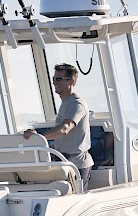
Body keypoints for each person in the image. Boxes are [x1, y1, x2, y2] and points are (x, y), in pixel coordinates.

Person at [24, 63, 93, 191]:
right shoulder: (65, 103)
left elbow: (64, 128)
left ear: (71, 81)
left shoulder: (76, 104)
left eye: (59, 79)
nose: (55, 82)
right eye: (54, 79)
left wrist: (38, 138)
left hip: (77, 164)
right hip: (63, 163)